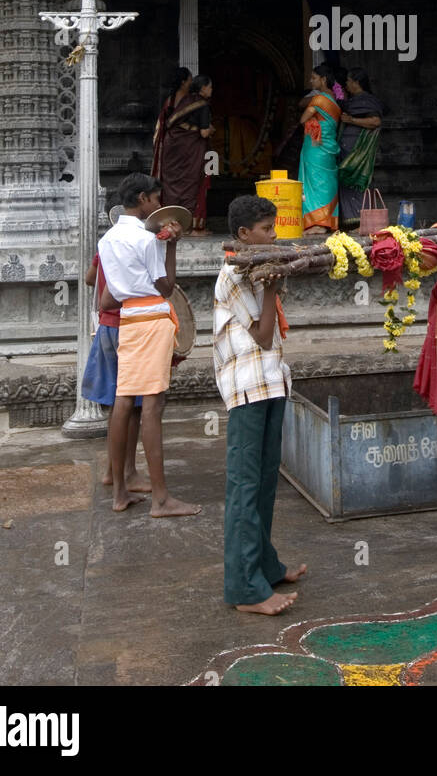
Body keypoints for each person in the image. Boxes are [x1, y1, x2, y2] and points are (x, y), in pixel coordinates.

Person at [214, 194, 306, 615]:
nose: (274, 236)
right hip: (247, 388)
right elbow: (264, 335)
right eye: (267, 230)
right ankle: (245, 589)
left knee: (266, 481)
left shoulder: (253, 269)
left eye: (274, 227)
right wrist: (271, 287)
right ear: (242, 235)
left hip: (269, 384)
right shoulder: (234, 275)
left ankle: (265, 566)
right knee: (245, 487)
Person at [99, 172, 201, 517]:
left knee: (123, 399)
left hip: (128, 318)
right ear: (143, 199)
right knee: (153, 406)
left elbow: (109, 295)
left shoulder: (107, 239)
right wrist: (170, 243)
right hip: (153, 317)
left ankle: (120, 492)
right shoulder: (147, 239)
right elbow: (166, 286)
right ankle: (160, 499)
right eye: (156, 199)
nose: (158, 205)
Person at [82, 244, 149, 493]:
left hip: (106, 328)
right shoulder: (135, 245)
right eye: (153, 201)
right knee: (132, 406)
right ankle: (128, 472)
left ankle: (112, 469)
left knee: (117, 404)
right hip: (127, 326)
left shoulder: (107, 246)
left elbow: (90, 278)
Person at [157, 74, 214, 233]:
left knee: (172, 185)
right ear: (202, 88)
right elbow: (203, 133)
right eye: (210, 87)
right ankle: (189, 226)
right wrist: (211, 130)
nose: (211, 90)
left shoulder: (186, 100)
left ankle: (170, 223)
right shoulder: (202, 104)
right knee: (191, 184)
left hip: (172, 147)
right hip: (189, 150)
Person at [337, 68, 383, 228]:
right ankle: (351, 222)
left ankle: (360, 222)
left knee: (356, 181)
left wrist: (351, 120)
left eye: (349, 81)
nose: (347, 84)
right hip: (347, 150)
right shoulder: (353, 100)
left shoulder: (366, 100)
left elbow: (375, 121)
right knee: (346, 182)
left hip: (357, 152)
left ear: (356, 82)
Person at [298, 63, 341, 232]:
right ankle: (328, 221)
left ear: (323, 80)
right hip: (329, 147)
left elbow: (303, 120)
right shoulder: (335, 102)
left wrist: (312, 122)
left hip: (316, 148)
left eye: (314, 78)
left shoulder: (318, 99)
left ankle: (317, 223)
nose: (310, 81)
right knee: (327, 181)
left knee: (314, 182)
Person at [152, 67, 192, 180]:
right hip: (186, 147)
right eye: (190, 79)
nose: (191, 82)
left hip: (170, 145)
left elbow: (162, 125)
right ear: (183, 82)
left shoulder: (169, 101)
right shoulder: (190, 102)